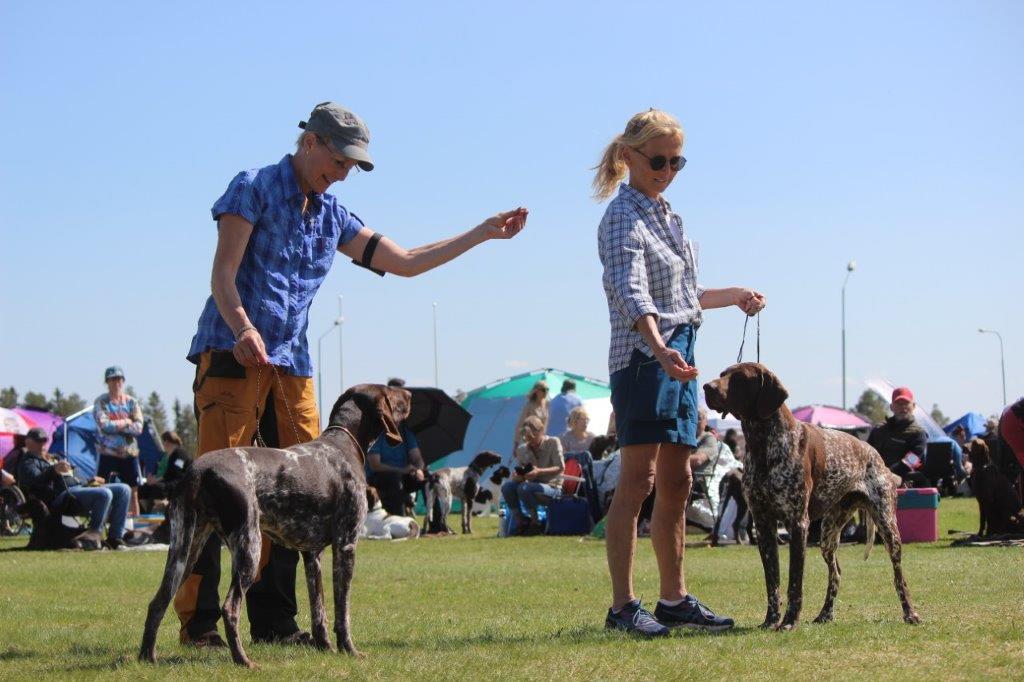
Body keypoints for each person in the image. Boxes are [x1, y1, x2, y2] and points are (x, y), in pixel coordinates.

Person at [178, 101, 527, 649]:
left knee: (298, 494)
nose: (342, 174)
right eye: (339, 160)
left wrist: (480, 233)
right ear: (309, 141)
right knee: (217, 495)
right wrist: (244, 328)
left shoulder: (334, 216)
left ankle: (275, 623)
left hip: (292, 369)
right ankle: (198, 625)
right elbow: (224, 272)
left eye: (352, 168)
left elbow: (406, 261)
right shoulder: (251, 187)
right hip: (231, 354)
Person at [595, 108, 765, 636]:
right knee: (638, 481)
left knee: (679, 478)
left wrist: (733, 295)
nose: (667, 170)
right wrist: (660, 348)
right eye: (658, 160)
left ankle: (675, 599)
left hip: (679, 355)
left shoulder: (669, 214)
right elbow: (632, 294)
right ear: (629, 156)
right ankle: (623, 606)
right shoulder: (621, 217)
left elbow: (685, 296)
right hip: (645, 359)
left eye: (677, 162)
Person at [15, 427, 131, 549]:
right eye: (38, 441)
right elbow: (35, 479)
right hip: (62, 497)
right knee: (105, 493)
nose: (42, 444)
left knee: (124, 489)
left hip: (79, 488)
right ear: (28, 442)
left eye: (44, 440)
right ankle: (92, 537)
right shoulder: (27, 462)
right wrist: (53, 470)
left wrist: (90, 481)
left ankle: (115, 537)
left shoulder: (53, 458)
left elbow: (72, 478)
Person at [93, 366, 144, 516]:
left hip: (129, 453)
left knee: (133, 491)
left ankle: (134, 526)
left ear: (123, 381)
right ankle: (101, 522)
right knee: (102, 488)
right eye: (112, 379)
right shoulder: (101, 401)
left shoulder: (132, 402)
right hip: (107, 453)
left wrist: (116, 424)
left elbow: (139, 428)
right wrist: (126, 422)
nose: (116, 382)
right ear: (107, 382)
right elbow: (104, 425)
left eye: (119, 379)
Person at [501, 416, 564, 535]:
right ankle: (520, 522)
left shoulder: (553, 442)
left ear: (541, 431)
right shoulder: (522, 449)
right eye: (527, 438)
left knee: (524, 488)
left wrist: (539, 471)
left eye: (533, 438)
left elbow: (560, 467)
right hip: (530, 485)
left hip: (552, 487)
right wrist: (519, 476)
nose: (530, 442)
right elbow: (522, 471)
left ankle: (536, 523)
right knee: (507, 487)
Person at [686, 409, 741, 532]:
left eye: (699, 418)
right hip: (683, 475)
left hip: (699, 480)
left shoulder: (708, 438)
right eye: (691, 418)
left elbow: (697, 461)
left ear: (705, 421)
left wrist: (672, 462)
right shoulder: (686, 438)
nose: (694, 421)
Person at [867, 387, 930, 488]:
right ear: (892, 407)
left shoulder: (918, 433)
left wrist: (887, 473)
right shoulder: (878, 430)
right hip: (874, 478)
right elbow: (867, 453)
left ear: (913, 406)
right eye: (898, 403)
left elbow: (912, 460)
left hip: (904, 480)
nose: (903, 407)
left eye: (906, 403)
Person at [366, 418, 426, 516]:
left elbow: (417, 458)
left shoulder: (406, 432)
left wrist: (419, 469)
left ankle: (438, 524)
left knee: (432, 479)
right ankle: (401, 519)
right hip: (379, 478)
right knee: (395, 478)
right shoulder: (376, 434)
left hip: (403, 476)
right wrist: (402, 470)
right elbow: (375, 465)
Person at [138, 431, 192, 510]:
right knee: (143, 489)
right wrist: (154, 480)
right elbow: (167, 475)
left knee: (158, 488)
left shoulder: (180, 453)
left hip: (180, 483)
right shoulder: (170, 455)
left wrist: (155, 481)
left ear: (168, 442)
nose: (164, 444)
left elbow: (176, 474)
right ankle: (146, 512)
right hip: (170, 481)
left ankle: (163, 507)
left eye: (165, 441)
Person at [512, 380, 549, 458]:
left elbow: (545, 425)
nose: (545, 392)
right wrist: (516, 444)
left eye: (547, 389)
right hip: (529, 440)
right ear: (536, 391)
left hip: (541, 441)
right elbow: (520, 425)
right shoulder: (529, 405)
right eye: (543, 390)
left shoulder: (546, 404)